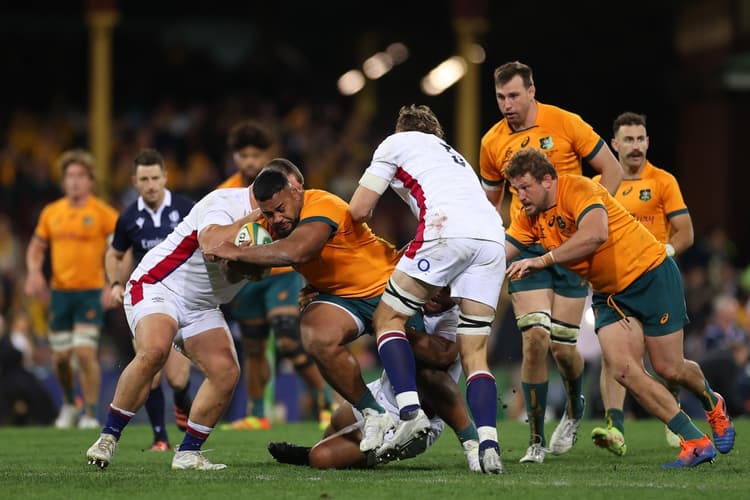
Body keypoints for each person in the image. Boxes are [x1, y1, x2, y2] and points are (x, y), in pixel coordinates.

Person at [203, 159, 483, 470]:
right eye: (268, 213)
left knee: (424, 372)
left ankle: (470, 440)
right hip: (349, 300)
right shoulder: (270, 223)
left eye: (280, 209)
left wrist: (238, 252)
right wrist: (230, 259)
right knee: (315, 335)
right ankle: (373, 411)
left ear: (296, 191)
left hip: (385, 292)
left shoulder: (322, 203)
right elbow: (234, 265)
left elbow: (298, 251)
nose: (277, 219)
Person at [502, 147, 735, 468]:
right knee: (624, 370)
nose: (520, 196)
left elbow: (596, 234)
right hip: (610, 295)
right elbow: (500, 252)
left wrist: (543, 260)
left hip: (650, 275)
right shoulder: (530, 218)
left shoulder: (579, 188)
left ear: (547, 180)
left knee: (670, 367)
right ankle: (694, 441)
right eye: (515, 190)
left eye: (525, 187)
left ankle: (713, 402)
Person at [85, 164, 292, 471]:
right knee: (155, 350)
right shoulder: (223, 202)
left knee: (226, 371)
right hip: (159, 284)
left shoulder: (282, 223)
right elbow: (210, 246)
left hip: (203, 305)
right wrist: (253, 223)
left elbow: (235, 270)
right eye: (292, 191)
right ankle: (108, 436)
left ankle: (188, 452)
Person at [479, 61, 623, 464]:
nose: (507, 104)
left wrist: (590, 219)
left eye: (513, 95)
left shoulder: (565, 123)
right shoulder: (492, 141)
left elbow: (609, 169)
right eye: (500, 97)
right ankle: (535, 440)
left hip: (569, 247)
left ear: (531, 91)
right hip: (526, 244)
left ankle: (576, 409)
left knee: (563, 348)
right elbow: (491, 204)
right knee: (535, 337)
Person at [348, 105, 506, 473]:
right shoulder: (456, 158)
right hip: (492, 237)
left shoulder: (395, 142)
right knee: (476, 353)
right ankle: (488, 443)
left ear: (402, 129)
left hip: (447, 229)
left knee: (388, 317)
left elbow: (358, 209)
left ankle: (409, 412)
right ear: (439, 134)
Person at [268, 287, 480, 471]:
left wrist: (385, 322)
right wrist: (324, 296)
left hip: (416, 417)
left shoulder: (458, 316)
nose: (439, 293)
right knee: (335, 422)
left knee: (320, 458)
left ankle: (322, 453)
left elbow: (441, 355)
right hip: (383, 393)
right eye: (438, 285)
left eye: (448, 289)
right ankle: (339, 447)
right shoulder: (408, 294)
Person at [590, 112, 694, 456]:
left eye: (641, 139)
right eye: (628, 140)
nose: (636, 146)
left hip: (655, 280)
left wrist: (668, 248)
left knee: (667, 364)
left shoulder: (663, 182)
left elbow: (686, 232)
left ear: (648, 142)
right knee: (615, 356)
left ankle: (674, 406)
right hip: (616, 285)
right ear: (614, 145)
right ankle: (615, 427)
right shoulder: (601, 184)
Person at [218, 120, 333, 430]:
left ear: (266, 155)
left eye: (256, 155)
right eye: (244, 156)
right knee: (253, 345)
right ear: (235, 158)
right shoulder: (225, 193)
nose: (250, 161)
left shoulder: (283, 188)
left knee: (287, 339)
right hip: (248, 278)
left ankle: (325, 402)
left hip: (282, 271)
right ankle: (257, 413)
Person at [104, 148, 195, 451]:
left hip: (181, 298)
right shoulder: (129, 218)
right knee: (151, 371)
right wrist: (116, 282)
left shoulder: (185, 208)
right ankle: (161, 437)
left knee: (178, 378)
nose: (151, 184)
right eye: (144, 179)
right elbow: (114, 254)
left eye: (155, 177)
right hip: (146, 299)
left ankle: (182, 402)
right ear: (135, 182)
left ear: (165, 177)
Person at [24, 149, 119, 429]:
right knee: (62, 358)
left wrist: (111, 283)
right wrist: (33, 273)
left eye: (80, 176)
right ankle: (69, 404)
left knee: (85, 353)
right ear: (63, 181)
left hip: (90, 292)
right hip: (60, 294)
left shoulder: (104, 214)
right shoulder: (51, 213)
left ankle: (90, 414)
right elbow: (36, 247)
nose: (75, 181)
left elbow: (119, 251)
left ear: (91, 181)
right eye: (70, 176)